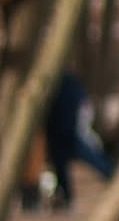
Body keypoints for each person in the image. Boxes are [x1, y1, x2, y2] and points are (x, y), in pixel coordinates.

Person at [44, 69, 114, 208]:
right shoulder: (62, 82)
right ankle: (65, 194)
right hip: (60, 128)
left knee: (84, 154)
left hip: (67, 128)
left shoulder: (65, 83)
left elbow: (80, 108)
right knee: (62, 162)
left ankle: (112, 174)